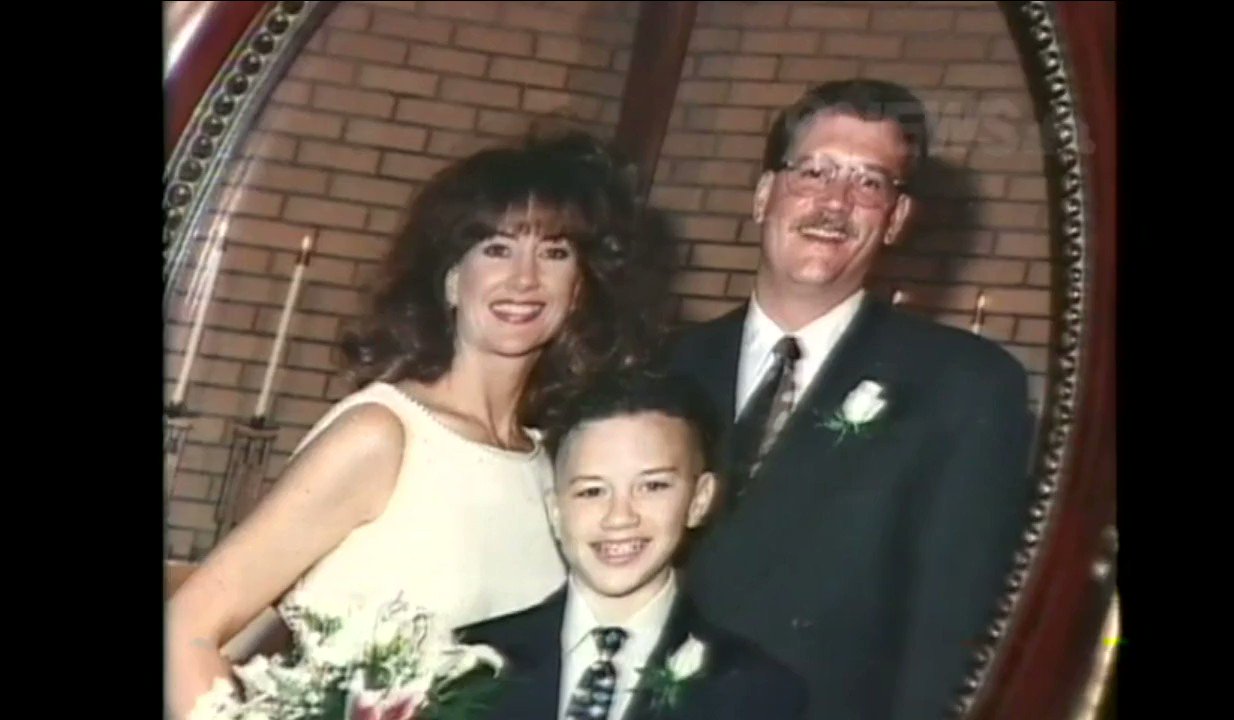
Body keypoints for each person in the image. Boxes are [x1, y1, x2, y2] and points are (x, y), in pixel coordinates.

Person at [165, 131, 669, 720]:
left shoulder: (550, 466)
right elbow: (187, 629)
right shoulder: (383, 435)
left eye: (555, 253)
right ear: (451, 277)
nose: (525, 279)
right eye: (496, 248)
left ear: (580, 289)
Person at [663, 79, 1036, 720]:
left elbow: (953, 634)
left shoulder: (965, 386)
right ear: (762, 196)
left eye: (870, 183)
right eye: (814, 171)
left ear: (895, 220)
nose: (835, 203)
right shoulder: (664, 365)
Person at [457, 370, 807, 720]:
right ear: (556, 510)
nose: (619, 517)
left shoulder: (753, 691)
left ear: (699, 500)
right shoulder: (469, 665)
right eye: (592, 491)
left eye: (652, 486)